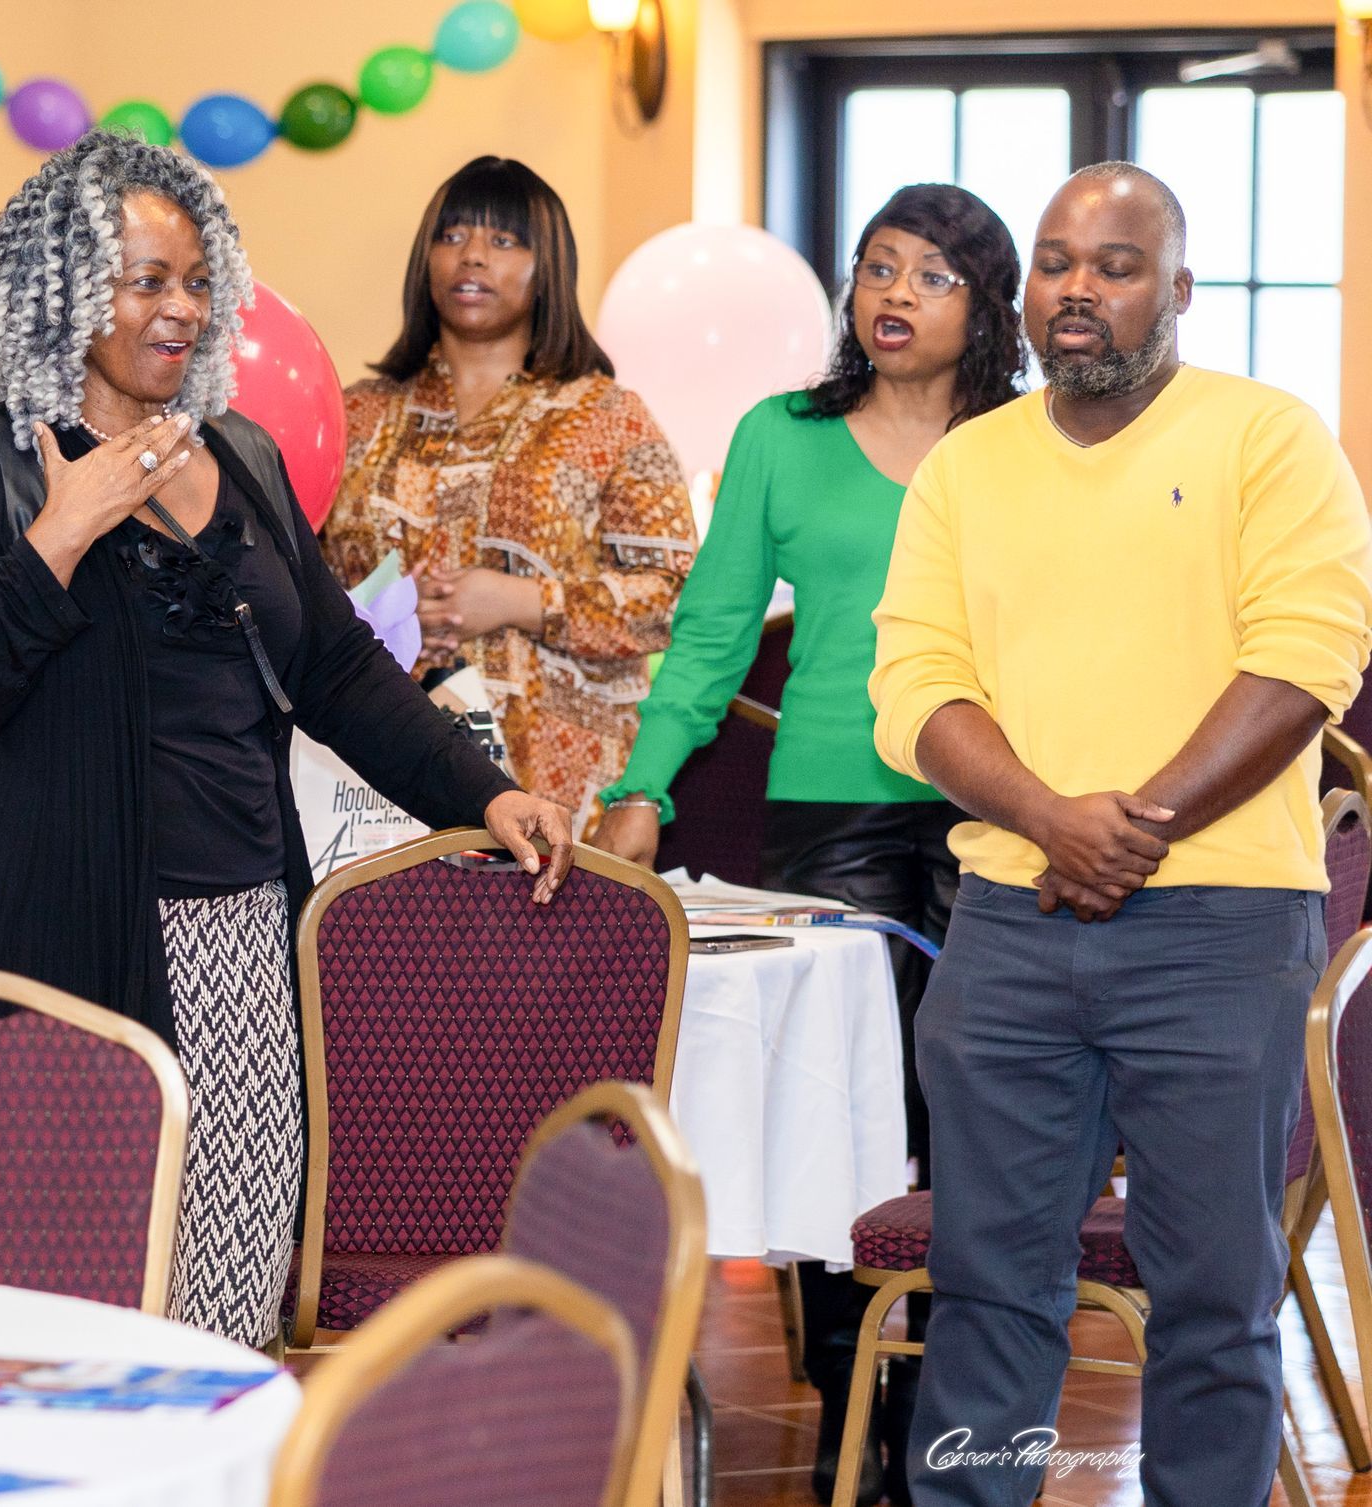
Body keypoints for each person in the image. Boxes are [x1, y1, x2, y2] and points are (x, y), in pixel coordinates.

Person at [0, 131, 574, 1351]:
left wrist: (485, 793)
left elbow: (337, 668)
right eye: (147, 280)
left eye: (197, 280)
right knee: (86, 1304)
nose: (184, 309)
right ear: (69, 288)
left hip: (242, 924)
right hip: (66, 934)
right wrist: (63, 537)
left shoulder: (240, 456)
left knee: (231, 1286)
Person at [871, 162, 1372, 1506]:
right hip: (1007, 927)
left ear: (1180, 290)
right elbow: (911, 683)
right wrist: (1048, 817)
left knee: (1214, 1291)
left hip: (1219, 927)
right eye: (1055, 261)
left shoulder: (1270, 437)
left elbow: (1306, 659)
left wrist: (1131, 828)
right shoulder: (969, 464)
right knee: (987, 1285)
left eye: (1116, 263)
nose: (1078, 288)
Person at [594, 183, 1026, 1506]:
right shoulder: (782, 436)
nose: (893, 294)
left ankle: (962, 1421)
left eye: (931, 277)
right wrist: (644, 786)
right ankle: (855, 1418)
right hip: (833, 814)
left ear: (984, 309)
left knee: (989, 1129)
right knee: (846, 1119)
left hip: (1003, 810)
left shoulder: (1033, 448)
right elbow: (713, 635)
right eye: (877, 268)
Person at [320, 156, 696, 837]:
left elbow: (675, 596)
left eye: (504, 241)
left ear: (547, 264)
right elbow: (294, 583)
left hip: (562, 788)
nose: (472, 257)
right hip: (370, 782)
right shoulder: (355, 415)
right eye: (453, 235)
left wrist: (524, 601)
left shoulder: (607, 417)